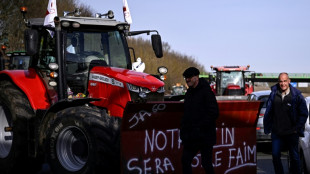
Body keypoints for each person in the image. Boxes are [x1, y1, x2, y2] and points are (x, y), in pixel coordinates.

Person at [263, 72, 309, 174]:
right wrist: (269, 126)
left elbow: (303, 113)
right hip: (277, 132)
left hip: (292, 132)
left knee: (294, 158)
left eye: (285, 81)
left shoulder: (297, 96)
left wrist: (297, 128)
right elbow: (269, 112)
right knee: (275, 156)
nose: (283, 83)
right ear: (278, 82)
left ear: (289, 81)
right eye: (280, 81)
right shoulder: (273, 94)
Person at [180, 67, 219, 174]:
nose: (187, 80)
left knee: (206, 164)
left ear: (196, 77)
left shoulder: (206, 92)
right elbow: (187, 114)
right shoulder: (189, 93)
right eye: (186, 78)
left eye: (189, 78)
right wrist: (184, 131)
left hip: (204, 136)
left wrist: (199, 126)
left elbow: (214, 112)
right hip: (192, 136)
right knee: (185, 160)